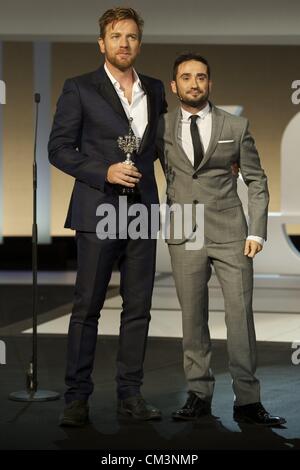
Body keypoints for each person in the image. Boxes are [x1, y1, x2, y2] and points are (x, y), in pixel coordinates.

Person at [48, 7, 167, 426]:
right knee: (87, 308)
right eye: (116, 36)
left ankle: (129, 396)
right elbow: (58, 148)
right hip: (98, 208)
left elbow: (164, 150)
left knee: (139, 309)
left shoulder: (154, 89)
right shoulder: (79, 88)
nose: (124, 44)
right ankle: (76, 399)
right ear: (102, 43)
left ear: (139, 43)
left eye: (131, 37)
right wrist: (104, 171)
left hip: (141, 212)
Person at [157, 53, 286, 426]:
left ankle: (247, 400)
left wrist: (257, 231)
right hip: (186, 231)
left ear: (210, 83)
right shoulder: (161, 127)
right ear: (174, 85)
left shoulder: (236, 125)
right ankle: (198, 394)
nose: (193, 83)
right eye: (186, 77)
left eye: (200, 77)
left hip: (232, 233)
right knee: (192, 318)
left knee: (240, 317)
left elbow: (257, 180)